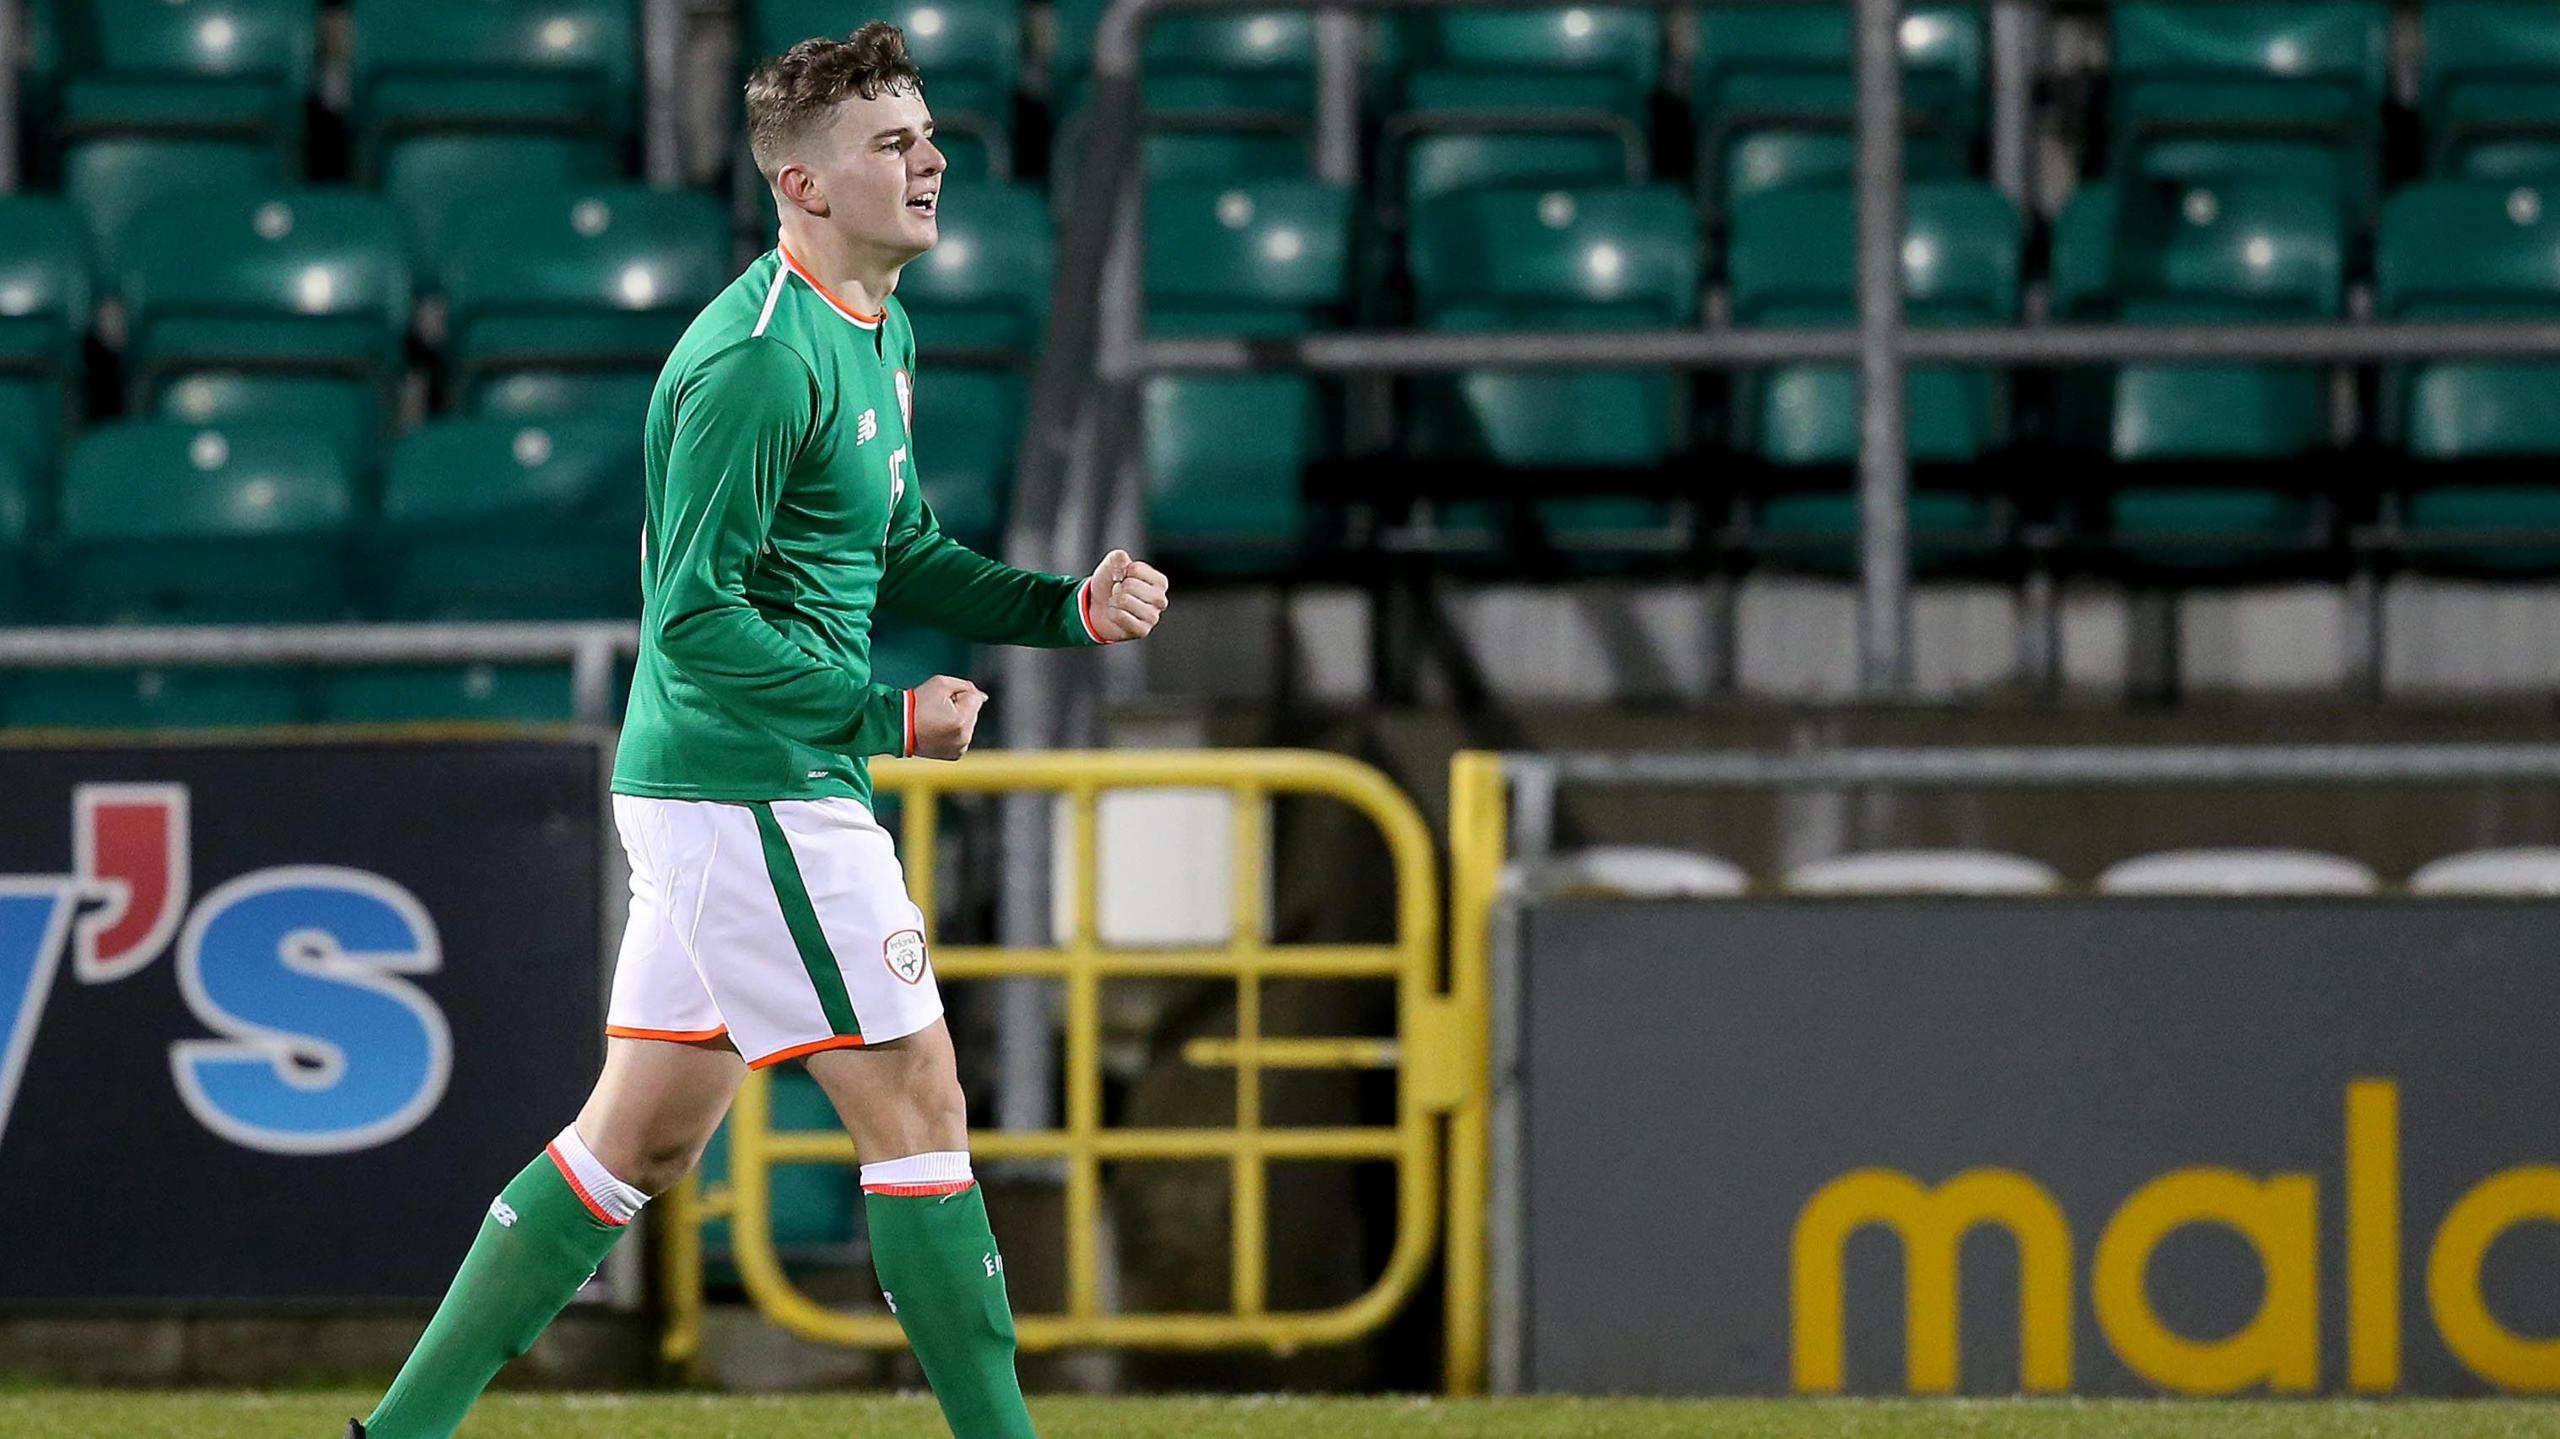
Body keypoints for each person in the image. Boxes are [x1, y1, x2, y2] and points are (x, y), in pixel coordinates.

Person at [349, 23, 1168, 1437]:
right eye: (892, 144)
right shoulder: (753, 364)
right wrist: (882, 713)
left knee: (641, 1139)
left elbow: (891, 546)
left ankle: (398, 1436)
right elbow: (696, 621)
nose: (931, 161)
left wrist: (1061, 612)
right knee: (920, 1106)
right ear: (803, 186)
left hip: (729, 783)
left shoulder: (877, 326)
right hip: (756, 786)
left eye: (926, 135)